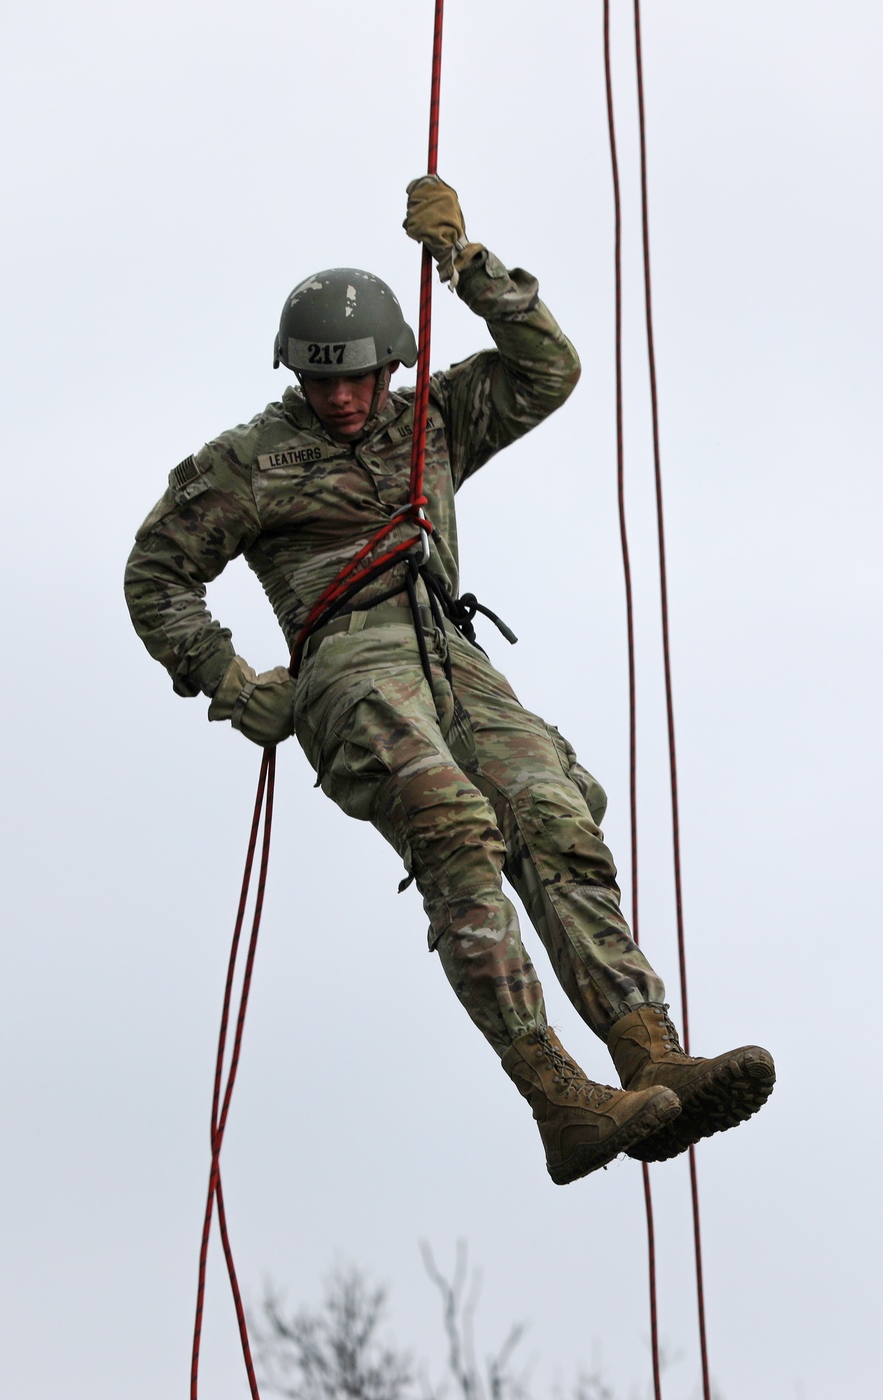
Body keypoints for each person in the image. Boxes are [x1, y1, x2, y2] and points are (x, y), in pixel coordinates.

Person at [125, 177, 774, 1186]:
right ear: (294, 374)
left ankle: (648, 1048)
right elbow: (157, 571)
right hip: (348, 662)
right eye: (318, 379)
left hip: (451, 649)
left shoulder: (429, 418)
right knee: (453, 826)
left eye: (357, 377)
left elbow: (548, 370)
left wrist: (468, 268)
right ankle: (557, 1093)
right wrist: (226, 676)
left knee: (551, 811)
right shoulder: (248, 461)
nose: (340, 396)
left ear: (391, 365)